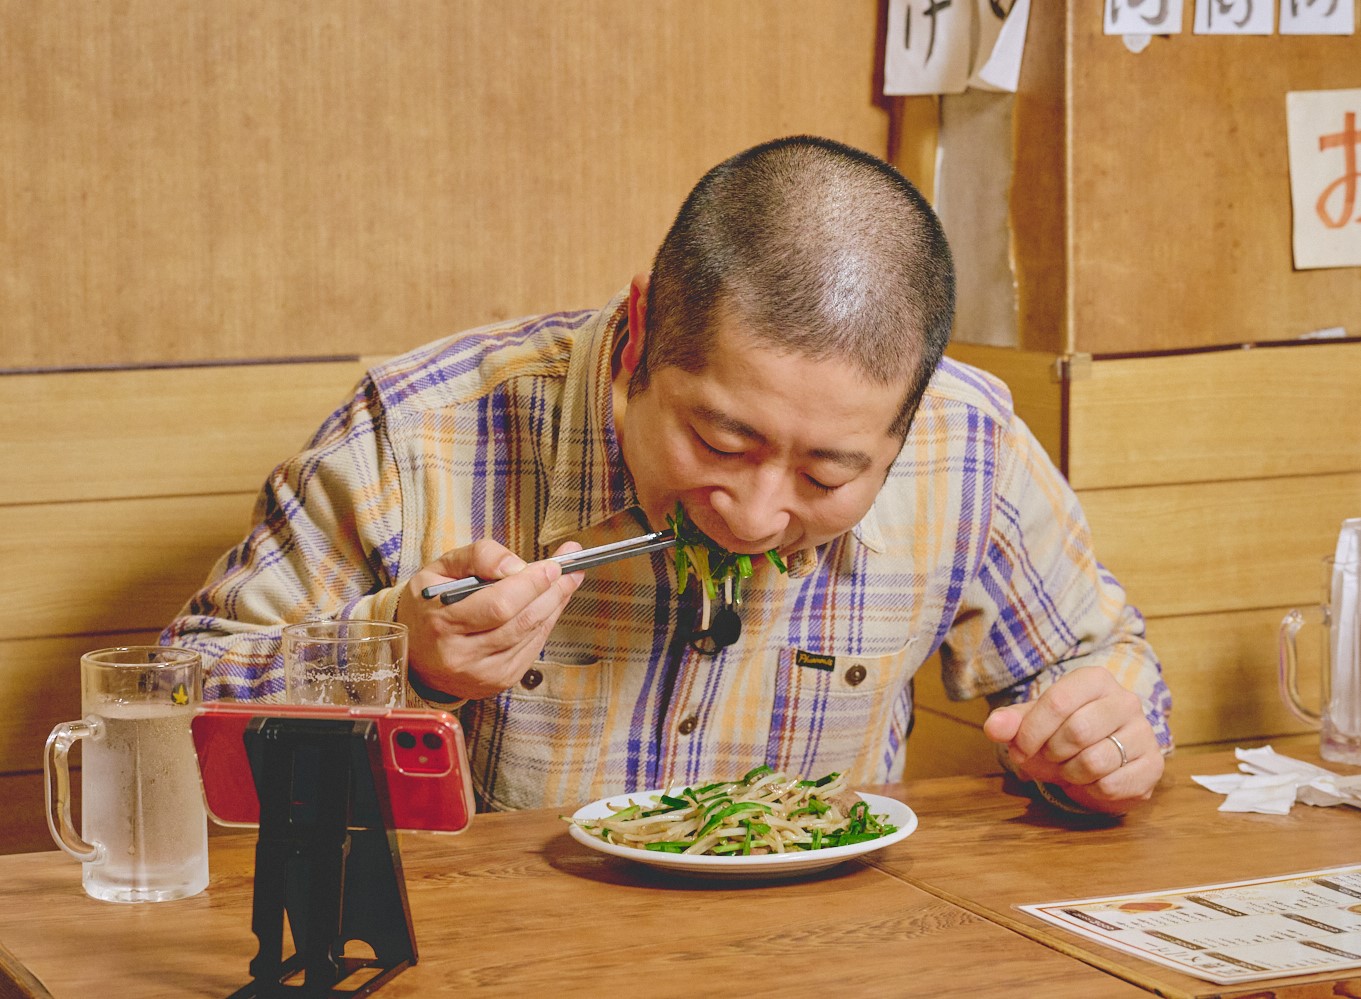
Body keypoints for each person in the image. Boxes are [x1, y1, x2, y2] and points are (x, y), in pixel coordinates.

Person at [162, 135, 1172, 816]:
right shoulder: (417, 435)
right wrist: (399, 657)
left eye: (828, 473)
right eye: (721, 443)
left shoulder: (970, 445)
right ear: (640, 333)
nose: (754, 513)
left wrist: (1098, 736)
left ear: (906, 422)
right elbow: (159, 719)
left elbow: (1094, 664)